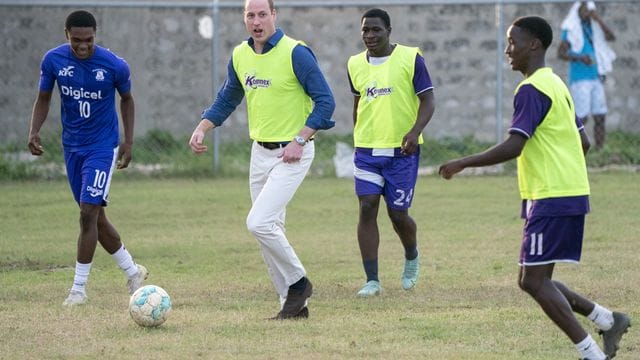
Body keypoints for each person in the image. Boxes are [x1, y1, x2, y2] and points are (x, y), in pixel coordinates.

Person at [439, 16, 629, 359]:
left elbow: (515, 145)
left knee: (533, 282)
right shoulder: (555, 83)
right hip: (564, 192)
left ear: (534, 45)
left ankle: (592, 354)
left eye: (513, 42)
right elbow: (582, 142)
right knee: (535, 278)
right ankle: (607, 319)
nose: (507, 50)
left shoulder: (531, 90)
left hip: (552, 195)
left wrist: (463, 162)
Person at [189, 0, 335, 320]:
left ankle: (298, 282)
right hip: (260, 153)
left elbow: (326, 103)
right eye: (250, 15)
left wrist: (300, 139)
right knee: (268, 231)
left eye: (262, 14)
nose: (257, 21)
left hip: (293, 153)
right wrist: (202, 128)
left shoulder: (296, 52)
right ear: (244, 19)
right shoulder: (240, 56)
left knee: (258, 222)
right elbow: (227, 97)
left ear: (274, 16)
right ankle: (292, 305)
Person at [27, 10, 148, 307]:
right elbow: (43, 98)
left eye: (89, 40)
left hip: (102, 147)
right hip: (72, 147)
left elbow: (127, 99)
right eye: (77, 40)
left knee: (87, 214)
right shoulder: (53, 61)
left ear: (96, 35)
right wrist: (34, 131)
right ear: (66, 34)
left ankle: (78, 290)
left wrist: (127, 142)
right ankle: (133, 271)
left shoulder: (113, 65)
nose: (83, 46)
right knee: (95, 216)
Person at [347, 8, 435, 298]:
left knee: (398, 214)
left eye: (376, 30)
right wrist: (358, 135)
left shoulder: (411, 58)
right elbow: (358, 103)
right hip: (367, 150)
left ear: (389, 31)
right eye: (365, 31)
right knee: (367, 206)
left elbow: (428, 101)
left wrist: (414, 131)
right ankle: (372, 280)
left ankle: (411, 254)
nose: (370, 36)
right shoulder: (355, 64)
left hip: (402, 150)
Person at [558, 1, 616, 149]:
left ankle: (600, 149)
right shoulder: (571, 28)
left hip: (596, 77)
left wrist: (598, 19)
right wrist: (580, 58)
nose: (587, 13)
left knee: (600, 115)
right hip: (580, 79)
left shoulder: (594, 27)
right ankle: (573, 147)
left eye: (589, 10)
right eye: (584, 10)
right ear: (577, 10)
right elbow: (561, 53)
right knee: (581, 117)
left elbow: (611, 37)